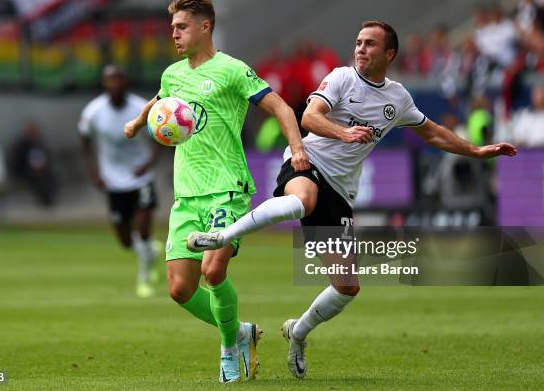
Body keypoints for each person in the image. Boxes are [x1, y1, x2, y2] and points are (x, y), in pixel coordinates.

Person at [187, 20, 517, 379]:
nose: (361, 48)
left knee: (346, 287)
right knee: (303, 201)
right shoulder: (342, 78)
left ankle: (297, 333)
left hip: (341, 191)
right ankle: (225, 235)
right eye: (359, 42)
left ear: (389, 54)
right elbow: (310, 117)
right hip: (306, 163)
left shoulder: (398, 98)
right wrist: (343, 133)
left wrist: (477, 150)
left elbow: (432, 133)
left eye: (370, 44)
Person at [123, 0, 308, 383]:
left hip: (227, 189)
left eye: (182, 26)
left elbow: (282, 109)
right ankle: (240, 330)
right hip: (186, 194)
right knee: (178, 289)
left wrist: (296, 150)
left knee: (213, 269)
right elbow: (157, 102)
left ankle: (228, 348)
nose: (174, 34)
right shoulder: (173, 75)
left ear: (205, 26)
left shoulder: (232, 71)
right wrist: (138, 123)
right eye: (172, 27)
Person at [79, 64, 160, 298]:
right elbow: (84, 141)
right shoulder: (94, 111)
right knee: (125, 240)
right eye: (110, 80)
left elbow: (161, 136)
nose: (114, 84)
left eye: (118, 79)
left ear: (126, 82)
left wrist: (148, 164)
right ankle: (149, 254)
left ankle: (144, 278)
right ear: (104, 84)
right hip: (113, 182)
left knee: (143, 229)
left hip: (140, 178)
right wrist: (95, 174)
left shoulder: (140, 107)